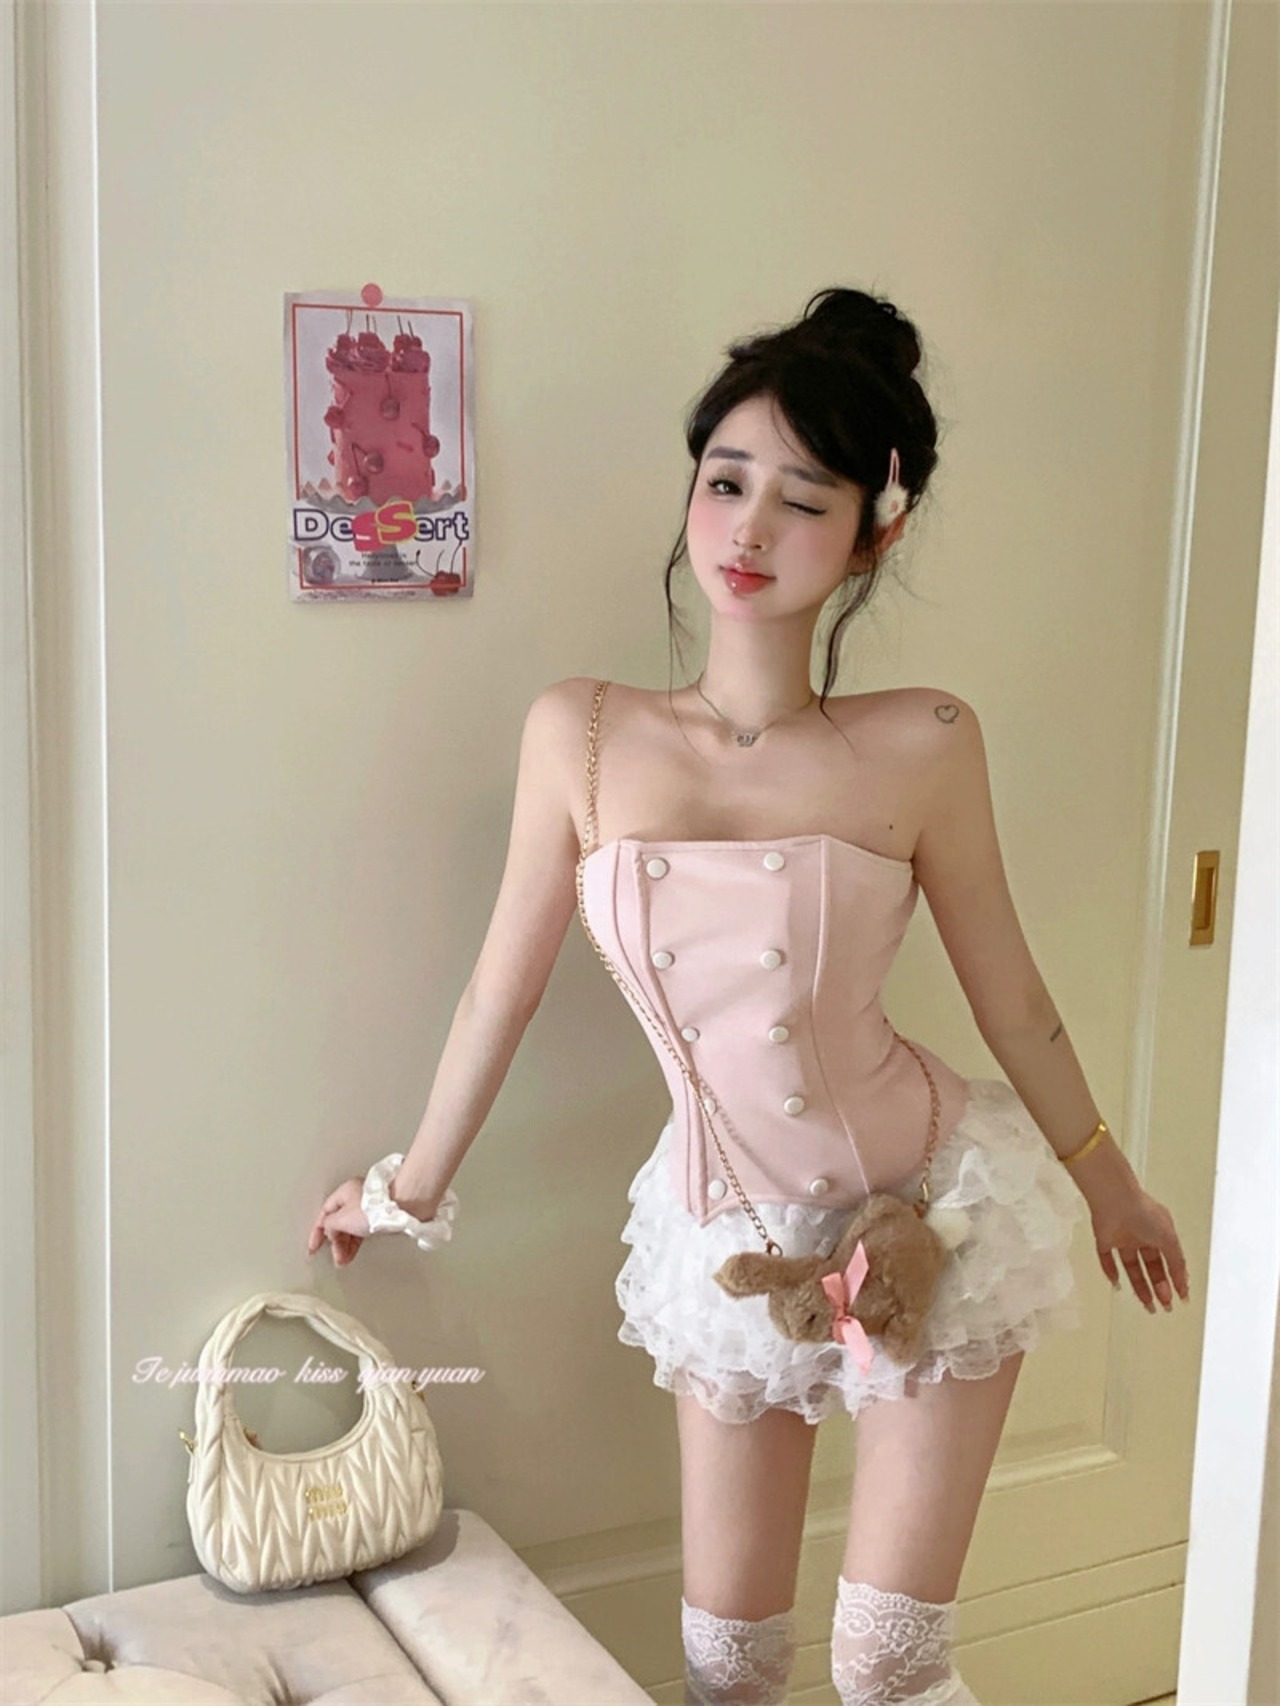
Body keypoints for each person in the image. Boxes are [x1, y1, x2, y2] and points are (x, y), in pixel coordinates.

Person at [308, 287, 1190, 1706]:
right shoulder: (581, 733)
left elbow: (1015, 1000)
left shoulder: (926, 742)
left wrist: (1110, 1184)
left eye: (804, 498)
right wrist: (400, 1193)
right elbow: (496, 997)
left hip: (936, 1213)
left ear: (873, 533)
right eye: (726, 482)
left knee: (888, 1662)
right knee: (728, 1668)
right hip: (727, 1238)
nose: (750, 529)